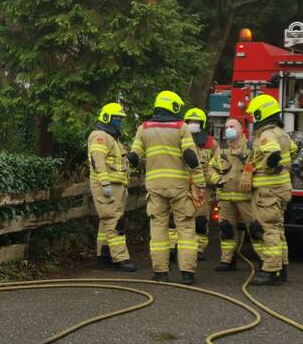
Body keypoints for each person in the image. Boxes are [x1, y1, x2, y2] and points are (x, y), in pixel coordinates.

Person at [129, 90, 206, 284]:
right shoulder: (181, 128)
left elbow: (134, 157)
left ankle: (160, 273)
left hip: (155, 188)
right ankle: (187, 273)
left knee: (158, 229)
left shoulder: (143, 128)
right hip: (179, 187)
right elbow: (191, 157)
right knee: (186, 228)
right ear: (174, 106)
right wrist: (200, 184)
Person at [242, 94, 292, 286]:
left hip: (268, 189)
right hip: (282, 187)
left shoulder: (267, 134)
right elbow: (293, 150)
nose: (253, 118)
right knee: (278, 228)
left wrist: (270, 165)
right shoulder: (282, 133)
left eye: (254, 114)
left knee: (267, 228)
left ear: (261, 113)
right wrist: (283, 167)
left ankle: (270, 271)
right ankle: (282, 267)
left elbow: (273, 152)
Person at [87, 103, 136, 272]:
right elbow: (97, 161)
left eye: (120, 118)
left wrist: (123, 184)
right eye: (116, 118)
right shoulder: (99, 136)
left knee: (106, 222)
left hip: (117, 185)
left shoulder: (112, 138)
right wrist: (105, 183)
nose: (119, 121)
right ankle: (121, 258)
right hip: (106, 185)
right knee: (115, 222)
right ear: (107, 117)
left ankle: (104, 255)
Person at [208, 118, 255, 271]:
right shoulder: (221, 150)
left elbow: (259, 167)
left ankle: (266, 263)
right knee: (226, 229)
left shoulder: (251, 148)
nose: (229, 129)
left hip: (246, 198)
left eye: (232, 126)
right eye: (227, 126)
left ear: (241, 130)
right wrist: (216, 179)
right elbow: (210, 168)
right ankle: (227, 261)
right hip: (226, 197)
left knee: (255, 230)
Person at [183, 108, 220, 261]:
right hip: (182, 188)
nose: (193, 124)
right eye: (190, 121)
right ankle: (174, 248)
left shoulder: (211, 143)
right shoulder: (178, 140)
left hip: (202, 190)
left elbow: (216, 165)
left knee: (201, 220)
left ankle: (199, 248)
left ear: (202, 124)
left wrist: (212, 181)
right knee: (178, 218)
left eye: (196, 122)